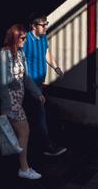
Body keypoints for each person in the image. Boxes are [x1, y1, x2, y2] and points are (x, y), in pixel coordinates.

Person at [0, 24, 45, 180]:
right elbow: (4, 83)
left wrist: (37, 92)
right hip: (11, 103)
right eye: (23, 38)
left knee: (3, 131)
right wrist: (8, 107)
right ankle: (24, 168)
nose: (25, 41)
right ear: (14, 37)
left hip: (19, 99)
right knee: (24, 131)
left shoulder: (20, 53)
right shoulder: (3, 55)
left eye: (26, 38)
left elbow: (25, 77)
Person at [23, 13, 67, 156]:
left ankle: (26, 144)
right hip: (29, 85)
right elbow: (21, 63)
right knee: (40, 114)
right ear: (33, 26)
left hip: (38, 84)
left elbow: (46, 53)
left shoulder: (42, 38)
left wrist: (56, 67)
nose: (46, 27)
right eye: (43, 25)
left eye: (46, 24)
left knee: (30, 114)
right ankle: (46, 146)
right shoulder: (26, 40)